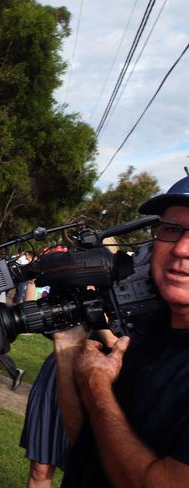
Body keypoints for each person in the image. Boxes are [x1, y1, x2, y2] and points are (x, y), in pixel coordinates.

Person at [54, 174, 189, 487]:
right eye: (171, 230)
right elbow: (90, 440)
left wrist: (97, 385)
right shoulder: (146, 334)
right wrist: (67, 349)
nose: (182, 249)